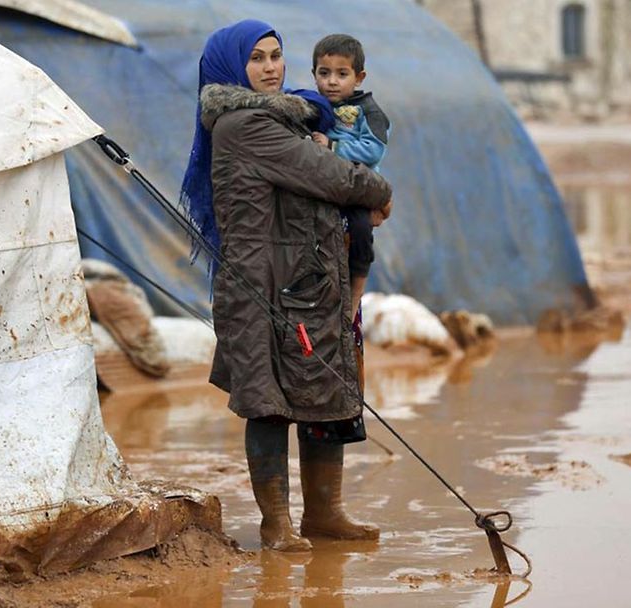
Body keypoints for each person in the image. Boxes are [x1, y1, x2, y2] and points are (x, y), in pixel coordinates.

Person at [180, 20, 393, 552]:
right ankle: (276, 523)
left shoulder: (290, 116)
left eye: (276, 55)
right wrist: (378, 190)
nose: (271, 67)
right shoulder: (243, 125)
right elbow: (332, 177)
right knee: (269, 401)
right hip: (262, 286)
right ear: (232, 68)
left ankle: (325, 514)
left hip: (306, 283)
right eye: (256, 58)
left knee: (325, 393)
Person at [310, 34, 390, 321]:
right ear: (314, 74)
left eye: (342, 74)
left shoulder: (368, 111)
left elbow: (374, 150)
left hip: (357, 189)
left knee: (359, 230)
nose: (332, 81)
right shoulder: (314, 106)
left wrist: (334, 147)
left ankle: (356, 294)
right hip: (326, 188)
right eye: (324, 73)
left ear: (359, 77)